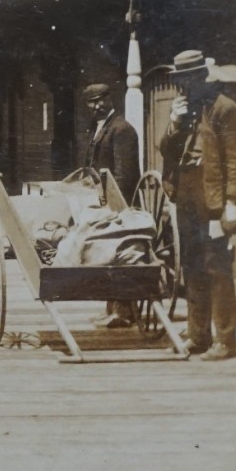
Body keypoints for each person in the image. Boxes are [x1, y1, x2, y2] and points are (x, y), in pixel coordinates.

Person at [159, 50, 236, 361]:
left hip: (212, 195)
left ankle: (225, 341)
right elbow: (166, 151)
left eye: (188, 79)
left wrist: (232, 204)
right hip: (186, 192)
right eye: (179, 80)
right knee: (192, 266)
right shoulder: (185, 110)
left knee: (217, 268)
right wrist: (174, 124)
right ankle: (198, 337)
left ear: (200, 77)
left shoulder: (225, 109)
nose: (183, 85)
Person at [81, 83, 142, 329]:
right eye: (91, 102)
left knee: (120, 255)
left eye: (101, 100)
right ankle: (112, 308)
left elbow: (124, 175)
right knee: (107, 255)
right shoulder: (98, 128)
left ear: (110, 98)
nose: (97, 105)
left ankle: (124, 311)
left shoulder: (122, 129)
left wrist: (114, 205)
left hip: (119, 204)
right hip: (102, 201)